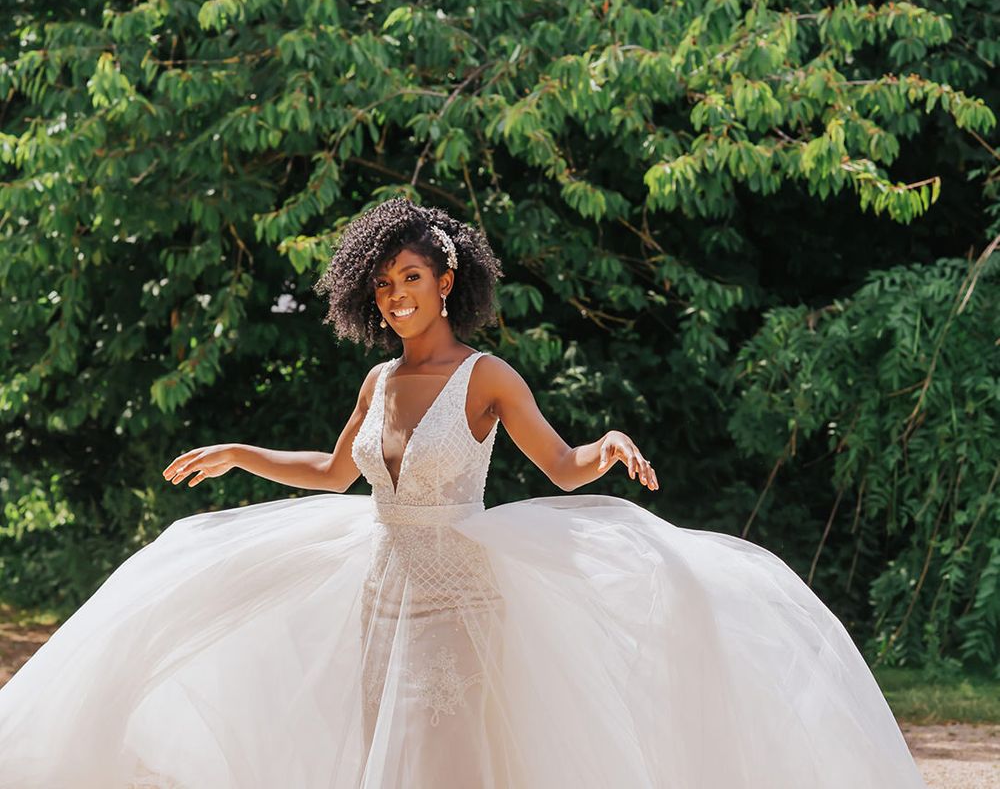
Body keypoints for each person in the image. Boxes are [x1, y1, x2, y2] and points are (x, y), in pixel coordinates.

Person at [0, 196, 927, 789]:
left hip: (458, 601)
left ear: (446, 281)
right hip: (380, 596)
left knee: (446, 767)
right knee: (389, 760)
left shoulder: (486, 377)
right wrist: (241, 453)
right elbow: (333, 473)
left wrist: (606, 446)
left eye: (411, 278)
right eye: (383, 283)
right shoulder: (377, 382)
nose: (396, 295)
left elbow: (560, 466)